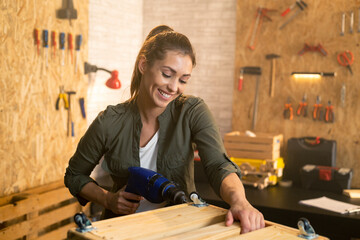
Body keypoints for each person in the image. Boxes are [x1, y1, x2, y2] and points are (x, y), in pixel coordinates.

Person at [64, 25, 264, 233]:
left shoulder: (192, 111)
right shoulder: (109, 122)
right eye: (167, 74)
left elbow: (218, 164)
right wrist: (108, 199)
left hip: (180, 230)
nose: (174, 87)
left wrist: (240, 202)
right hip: (123, 232)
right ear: (143, 64)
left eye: (183, 80)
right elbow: (74, 175)